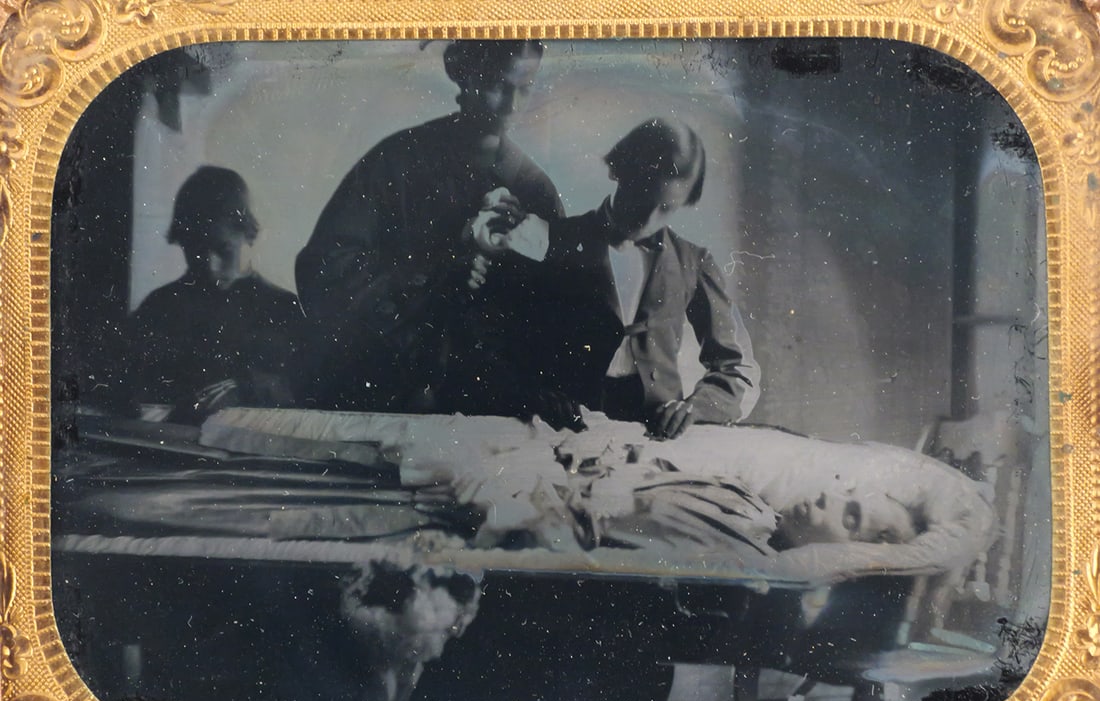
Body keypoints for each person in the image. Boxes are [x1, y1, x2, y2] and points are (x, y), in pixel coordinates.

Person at [294, 40, 563, 412]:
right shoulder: (396, 162)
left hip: (494, 404)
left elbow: (563, 308)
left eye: (526, 88)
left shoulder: (535, 189)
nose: (512, 105)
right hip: (384, 390)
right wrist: (438, 263)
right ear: (461, 73)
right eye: (497, 85)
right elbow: (322, 271)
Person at [468, 117, 761, 439]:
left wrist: (699, 408)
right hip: (564, 426)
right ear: (617, 170)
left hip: (658, 434)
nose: (648, 219)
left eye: (665, 208)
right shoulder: (550, 240)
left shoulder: (694, 261)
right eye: (642, 196)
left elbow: (737, 365)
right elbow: (488, 343)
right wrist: (533, 394)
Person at [125, 166, 303, 423]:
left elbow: (303, 393)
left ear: (248, 234)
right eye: (195, 251)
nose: (210, 267)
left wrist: (246, 388)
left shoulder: (283, 308)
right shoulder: (159, 306)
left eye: (223, 250)